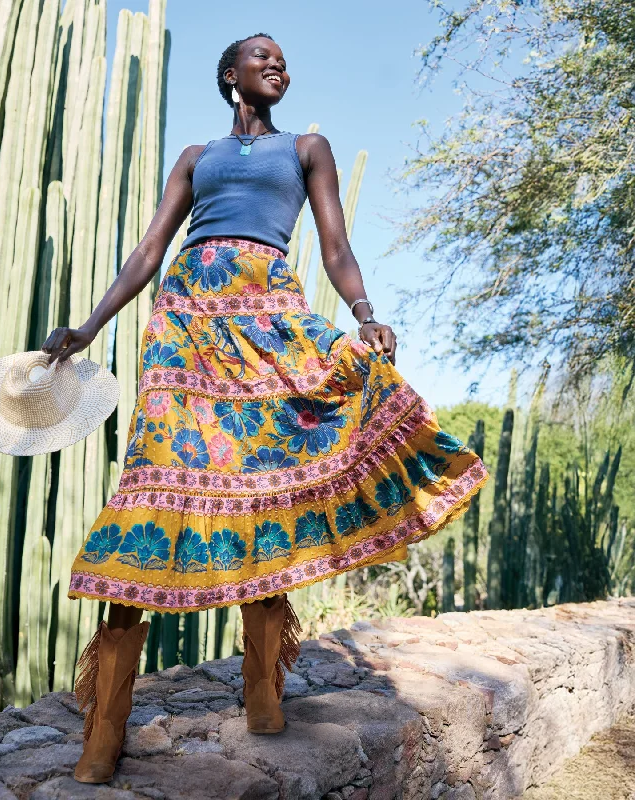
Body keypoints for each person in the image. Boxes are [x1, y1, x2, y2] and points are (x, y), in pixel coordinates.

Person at [41, 33, 489, 785]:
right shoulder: (196, 155)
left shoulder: (307, 147)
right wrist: (89, 325)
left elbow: (336, 246)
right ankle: (103, 735)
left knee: (265, 489)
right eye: (261, 54)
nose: (277, 63)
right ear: (230, 76)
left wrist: (363, 310)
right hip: (185, 325)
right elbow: (150, 251)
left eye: (283, 56)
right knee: (154, 490)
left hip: (267, 320)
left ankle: (262, 696)